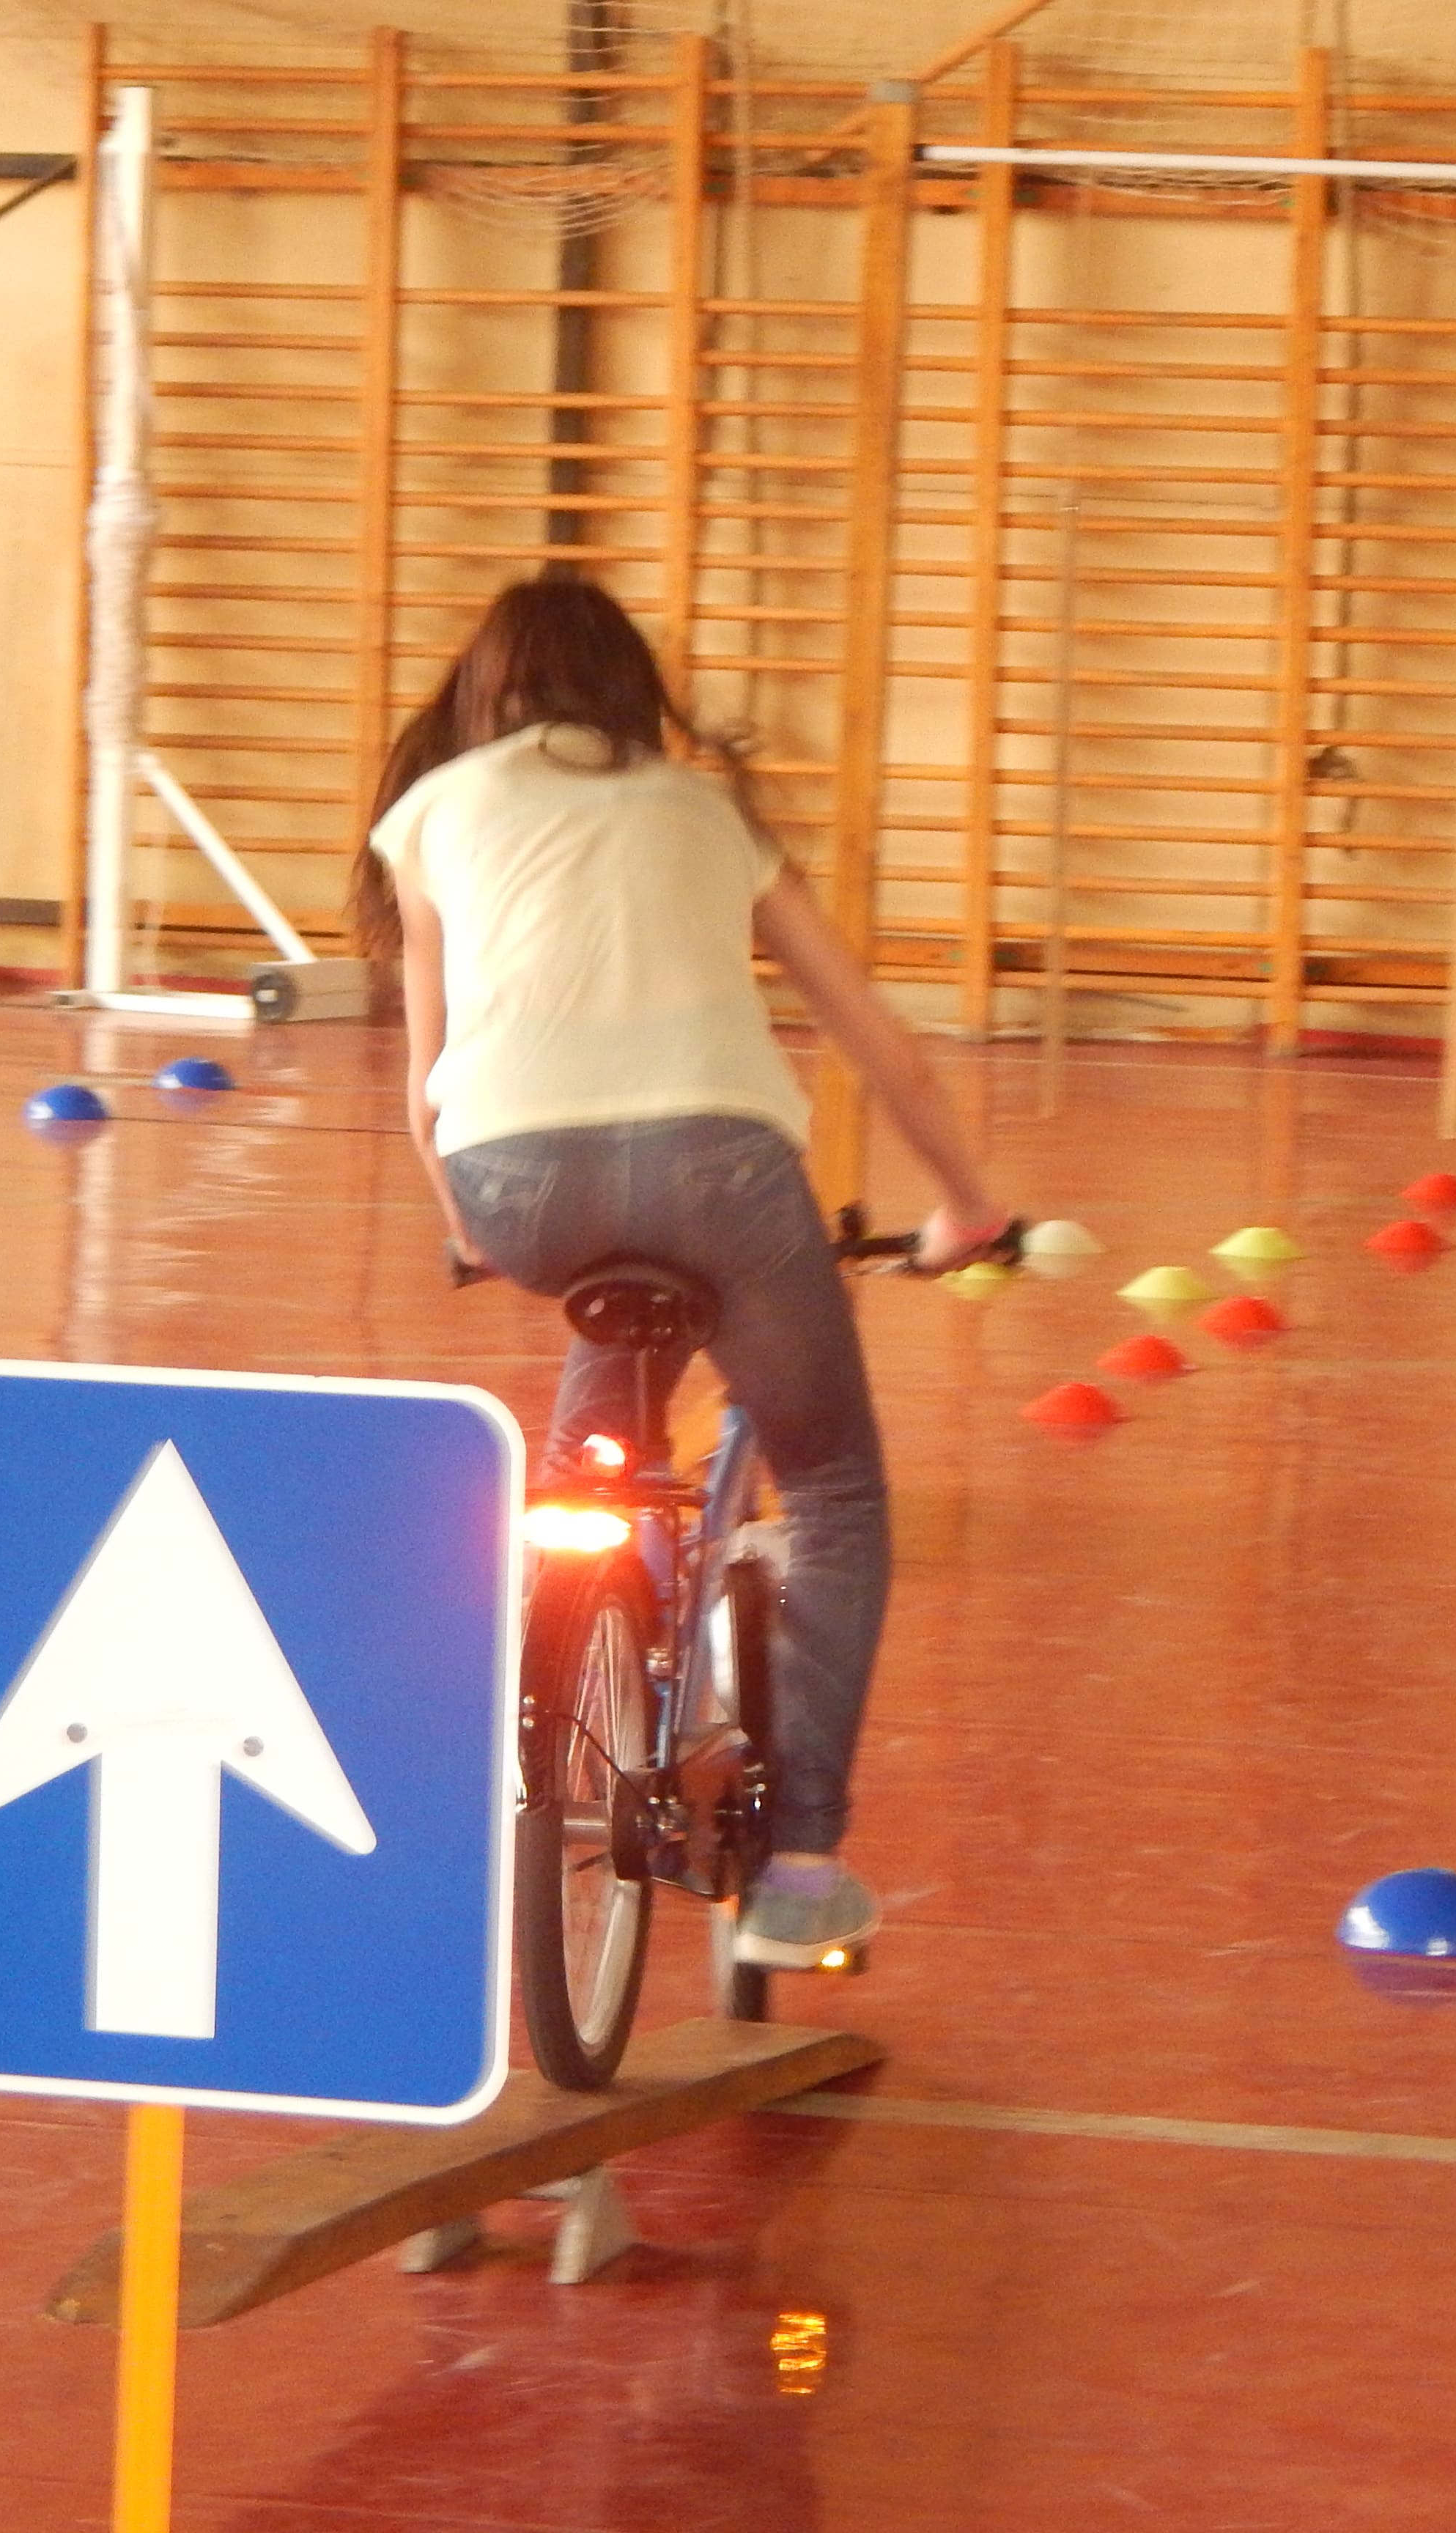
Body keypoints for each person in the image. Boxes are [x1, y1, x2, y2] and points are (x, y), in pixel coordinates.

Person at [353, 576, 1008, 1970]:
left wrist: (471, 1227)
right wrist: (967, 1207)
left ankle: (556, 1657)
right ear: (633, 691)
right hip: (726, 1173)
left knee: (589, 1438)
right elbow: (882, 1043)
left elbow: (426, 1082)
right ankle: (803, 1867)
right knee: (833, 1490)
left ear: (485, 694)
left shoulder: (433, 810)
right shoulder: (709, 816)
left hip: (513, 1180)